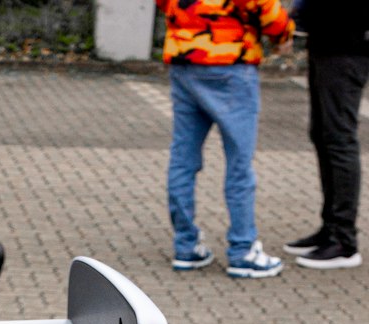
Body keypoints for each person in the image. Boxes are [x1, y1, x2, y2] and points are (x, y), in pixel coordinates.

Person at [155, 0, 294, 277]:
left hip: (184, 62)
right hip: (231, 66)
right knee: (239, 163)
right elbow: (265, 7)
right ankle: (243, 251)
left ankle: (186, 246)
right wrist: (283, 34)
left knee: (183, 159)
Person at [285, 1, 369, 269]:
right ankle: (330, 228)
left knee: (339, 139)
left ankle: (344, 242)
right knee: (323, 135)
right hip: (327, 42)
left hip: (346, 46)